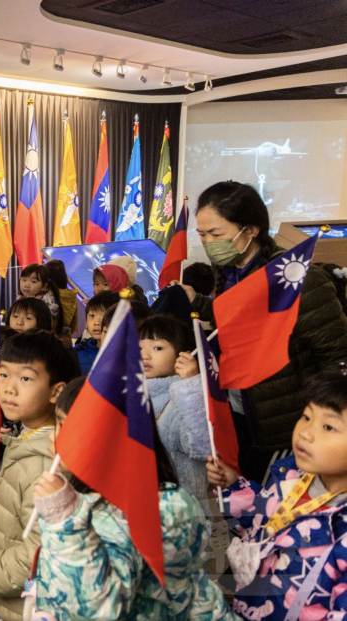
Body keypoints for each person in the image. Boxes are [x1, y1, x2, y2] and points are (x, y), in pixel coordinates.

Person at [176, 181, 347, 478]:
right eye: (202, 234)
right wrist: (200, 304)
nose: (207, 243)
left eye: (216, 234)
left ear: (251, 230)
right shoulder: (228, 272)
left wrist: (318, 421)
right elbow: (236, 323)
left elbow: (338, 359)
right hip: (240, 411)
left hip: (285, 425)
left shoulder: (298, 282)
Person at [29, 377, 236, 621]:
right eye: (59, 423)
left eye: (70, 427)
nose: (56, 438)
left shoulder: (155, 509)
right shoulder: (88, 495)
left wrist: (64, 521)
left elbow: (100, 609)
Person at [0, 330, 80, 621]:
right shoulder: (29, 438)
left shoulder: (46, 465)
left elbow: (44, 549)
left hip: (32, 605)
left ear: (56, 391)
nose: (8, 388)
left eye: (25, 378)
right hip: (19, 597)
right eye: (3, 374)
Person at [207, 371, 347, 621]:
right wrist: (233, 486)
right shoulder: (290, 474)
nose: (305, 433)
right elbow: (262, 520)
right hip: (251, 605)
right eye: (306, 417)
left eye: (328, 426)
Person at [139, 315, 213, 503]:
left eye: (158, 348)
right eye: (138, 347)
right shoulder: (131, 394)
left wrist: (190, 385)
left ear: (183, 355)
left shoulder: (184, 397)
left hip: (182, 513)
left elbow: (203, 447)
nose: (144, 355)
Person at [74, 291, 119, 374]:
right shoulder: (77, 354)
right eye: (92, 316)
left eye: (104, 316)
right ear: (86, 322)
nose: (97, 322)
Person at [46, 259, 78, 344]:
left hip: (46, 341)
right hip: (65, 342)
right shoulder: (71, 296)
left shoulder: (45, 296)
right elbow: (74, 324)